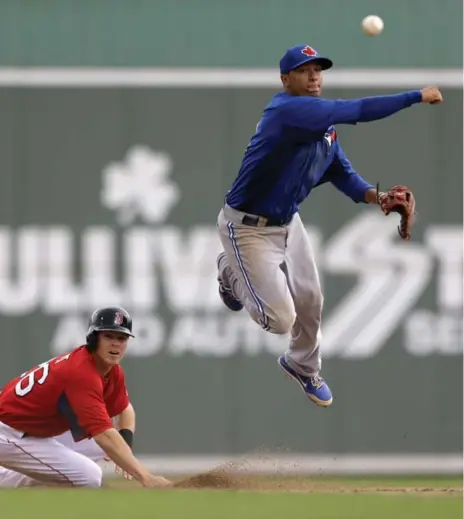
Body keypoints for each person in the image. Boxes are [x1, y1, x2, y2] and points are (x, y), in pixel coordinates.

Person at [216, 44, 443, 408]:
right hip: (248, 229)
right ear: (285, 79)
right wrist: (414, 96)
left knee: (311, 299)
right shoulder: (287, 111)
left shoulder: (323, 131)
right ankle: (229, 272)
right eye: (305, 70)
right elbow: (357, 110)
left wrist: (377, 197)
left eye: (318, 70)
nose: (314, 76)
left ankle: (302, 364)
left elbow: (343, 175)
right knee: (279, 319)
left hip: (286, 221)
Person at [0, 306, 172, 488]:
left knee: (109, 447)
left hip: (30, 430)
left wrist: (126, 445)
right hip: (8, 432)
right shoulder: (81, 373)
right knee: (89, 476)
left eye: (121, 338)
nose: (115, 343)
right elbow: (104, 435)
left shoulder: (111, 371)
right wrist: (146, 477)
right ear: (93, 338)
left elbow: (125, 410)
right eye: (109, 336)